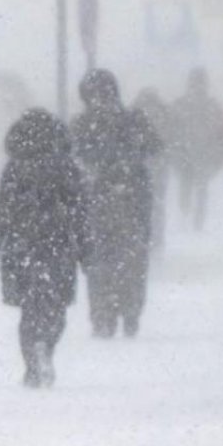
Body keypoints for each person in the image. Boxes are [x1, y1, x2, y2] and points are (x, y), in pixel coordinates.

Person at [0, 108, 87, 388]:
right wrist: (86, 251)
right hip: (59, 246)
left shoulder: (15, 167)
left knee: (29, 310)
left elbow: (1, 213)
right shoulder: (67, 167)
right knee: (57, 308)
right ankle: (47, 347)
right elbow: (80, 213)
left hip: (21, 246)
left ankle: (31, 363)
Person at [71, 69, 161, 338]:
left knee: (101, 263)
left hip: (100, 203)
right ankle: (128, 312)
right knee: (130, 261)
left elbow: (75, 160)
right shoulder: (133, 119)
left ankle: (104, 316)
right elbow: (154, 148)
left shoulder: (82, 124)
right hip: (129, 202)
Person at [170, 68, 223, 231]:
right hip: (191, 153)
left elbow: (219, 132)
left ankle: (192, 221)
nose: (198, 86)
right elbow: (173, 129)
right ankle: (190, 219)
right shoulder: (209, 105)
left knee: (197, 188)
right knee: (193, 187)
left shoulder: (184, 104)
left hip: (198, 153)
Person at [131, 88, 173, 251]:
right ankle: (156, 239)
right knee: (156, 205)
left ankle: (143, 240)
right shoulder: (162, 112)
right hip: (156, 167)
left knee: (140, 206)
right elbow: (162, 142)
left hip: (138, 170)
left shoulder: (134, 115)